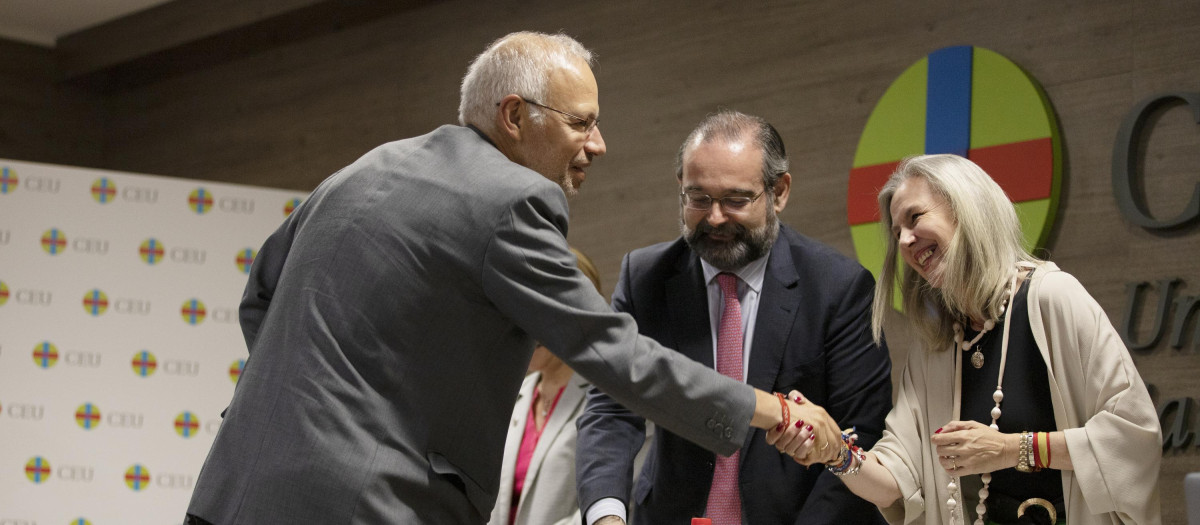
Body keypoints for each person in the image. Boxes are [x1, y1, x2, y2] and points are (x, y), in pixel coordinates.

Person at [185, 31, 831, 525]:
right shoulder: (513, 199)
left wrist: (314, 404)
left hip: (232, 490)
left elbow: (262, 294)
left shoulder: (367, 167)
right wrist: (767, 407)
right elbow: (613, 351)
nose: (599, 143)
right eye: (581, 122)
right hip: (366, 506)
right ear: (516, 117)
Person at [776, 154, 1162, 524]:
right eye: (897, 233)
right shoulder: (937, 346)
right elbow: (897, 482)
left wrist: (1011, 449)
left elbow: (1133, 438)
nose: (906, 241)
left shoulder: (1052, 297)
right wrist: (836, 453)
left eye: (915, 218)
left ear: (966, 209)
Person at [575, 110, 892, 525]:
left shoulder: (838, 288)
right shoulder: (645, 277)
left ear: (779, 192)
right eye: (699, 198)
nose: (716, 217)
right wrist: (606, 515)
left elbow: (860, 432)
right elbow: (612, 408)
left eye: (735, 200)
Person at [488, 248, 609, 525]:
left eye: (542, 309)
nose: (526, 326)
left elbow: (614, 505)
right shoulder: (508, 396)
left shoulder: (613, 400)